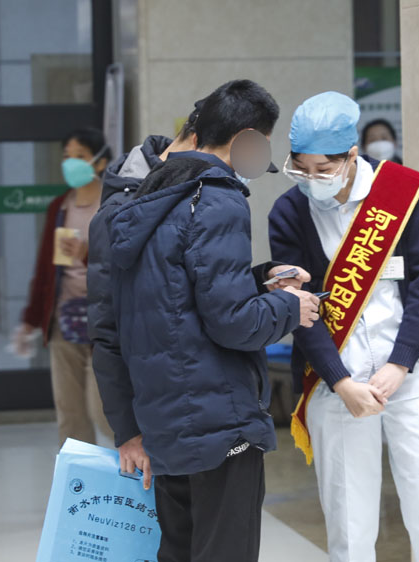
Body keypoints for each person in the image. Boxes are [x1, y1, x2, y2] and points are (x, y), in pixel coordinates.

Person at [106, 79, 320, 562]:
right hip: (219, 421)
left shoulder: (152, 194)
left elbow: (175, 298)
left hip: (168, 422)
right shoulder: (218, 197)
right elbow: (233, 322)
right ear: (247, 139)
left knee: (180, 551)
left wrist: (261, 280)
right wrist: (292, 307)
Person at [268, 91, 419, 562]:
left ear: (351, 156)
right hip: (337, 379)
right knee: (349, 523)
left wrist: (400, 363)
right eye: (301, 168)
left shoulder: (400, 193)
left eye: (323, 169)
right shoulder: (289, 212)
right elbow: (299, 306)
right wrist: (340, 381)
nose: (311, 179)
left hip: (413, 373)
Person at [87, 101, 202, 469]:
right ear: (198, 141)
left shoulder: (199, 195)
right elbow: (107, 329)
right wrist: (127, 431)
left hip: (194, 409)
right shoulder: (121, 207)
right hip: (154, 412)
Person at [17, 127, 113, 446]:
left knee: (104, 411)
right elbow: (45, 268)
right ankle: (79, 477)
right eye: (66, 156)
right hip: (65, 321)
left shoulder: (114, 205)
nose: (70, 163)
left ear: (100, 162)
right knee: (70, 414)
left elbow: (125, 264)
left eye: (79, 157)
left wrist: (87, 253)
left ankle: (138, 470)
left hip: (106, 323)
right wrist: (31, 320)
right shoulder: (60, 207)